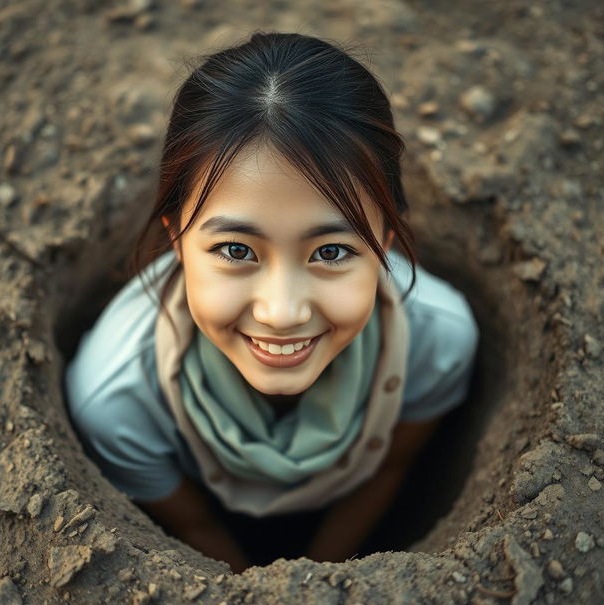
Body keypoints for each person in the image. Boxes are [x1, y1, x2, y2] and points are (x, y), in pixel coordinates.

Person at [63, 31, 479, 574]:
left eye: (331, 251)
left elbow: (389, 469)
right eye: (236, 249)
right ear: (177, 239)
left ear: (387, 239)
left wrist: (319, 582)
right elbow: (194, 528)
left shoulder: (436, 340)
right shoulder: (119, 399)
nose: (282, 313)